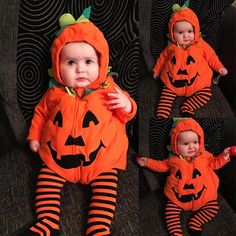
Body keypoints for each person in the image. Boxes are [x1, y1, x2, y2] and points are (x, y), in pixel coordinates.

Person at [26, 6, 137, 236]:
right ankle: (47, 223)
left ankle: (98, 228)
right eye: (71, 63)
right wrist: (34, 136)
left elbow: (127, 112)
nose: (80, 70)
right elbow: (40, 114)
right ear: (57, 66)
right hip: (58, 156)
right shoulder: (54, 94)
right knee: (46, 179)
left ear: (101, 64)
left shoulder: (109, 89)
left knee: (107, 190)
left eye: (88, 62)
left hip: (101, 160)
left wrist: (127, 105)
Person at [137, 118, 231, 236]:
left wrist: (224, 156)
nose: (191, 147)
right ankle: (176, 233)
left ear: (200, 142)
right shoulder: (173, 160)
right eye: (185, 144)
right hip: (177, 198)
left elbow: (215, 163)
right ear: (175, 144)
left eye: (195, 142)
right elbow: (161, 165)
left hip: (205, 197)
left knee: (213, 208)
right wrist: (147, 162)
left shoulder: (205, 157)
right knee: (170, 212)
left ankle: (196, 222)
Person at [152, 0, 228, 118]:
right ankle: (162, 116)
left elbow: (212, 56)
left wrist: (219, 67)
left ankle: (187, 107)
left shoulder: (201, 44)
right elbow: (162, 58)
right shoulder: (170, 47)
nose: (186, 35)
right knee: (165, 96)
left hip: (198, 83)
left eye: (189, 31)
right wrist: (156, 70)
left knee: (206, 94)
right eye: (180, 32)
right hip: (173, 83)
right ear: (172, 33)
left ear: (196, 31)